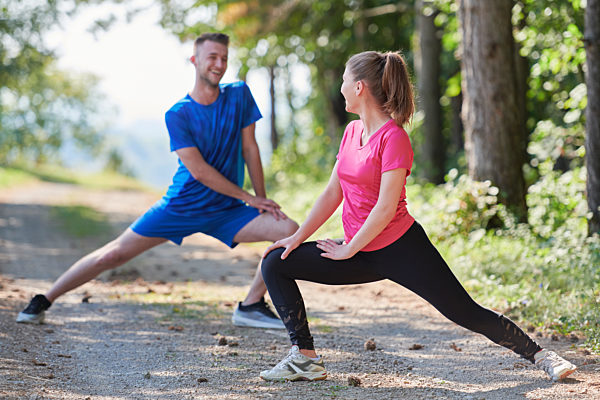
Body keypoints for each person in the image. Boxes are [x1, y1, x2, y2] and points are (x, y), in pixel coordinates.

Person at [258, 50, 577, 382]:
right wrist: (297, 238)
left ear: (359, 88)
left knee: (466, 312)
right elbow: (332, 193)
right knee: (276, 262)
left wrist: (348, 249)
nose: (340, 87)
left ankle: (542, 356)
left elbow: (385, 208)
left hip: (401, 248)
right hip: (357, 248)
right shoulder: (352, 133)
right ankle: (305, 358)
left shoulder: (394, 138)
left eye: (344, 80)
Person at [17, 32, 298, 330]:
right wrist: (249, 197)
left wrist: (261, 199)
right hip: (181, 206)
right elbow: (199, 171)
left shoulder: (240, 94)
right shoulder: (177, 114)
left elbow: (250, 148)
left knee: (288, 229)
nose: (219, 64)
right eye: (212, 57)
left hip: (227, 210)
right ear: (195, 60)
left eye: (224, 58)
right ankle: (44, 299)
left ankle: (251, 304)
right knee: (113, 254)